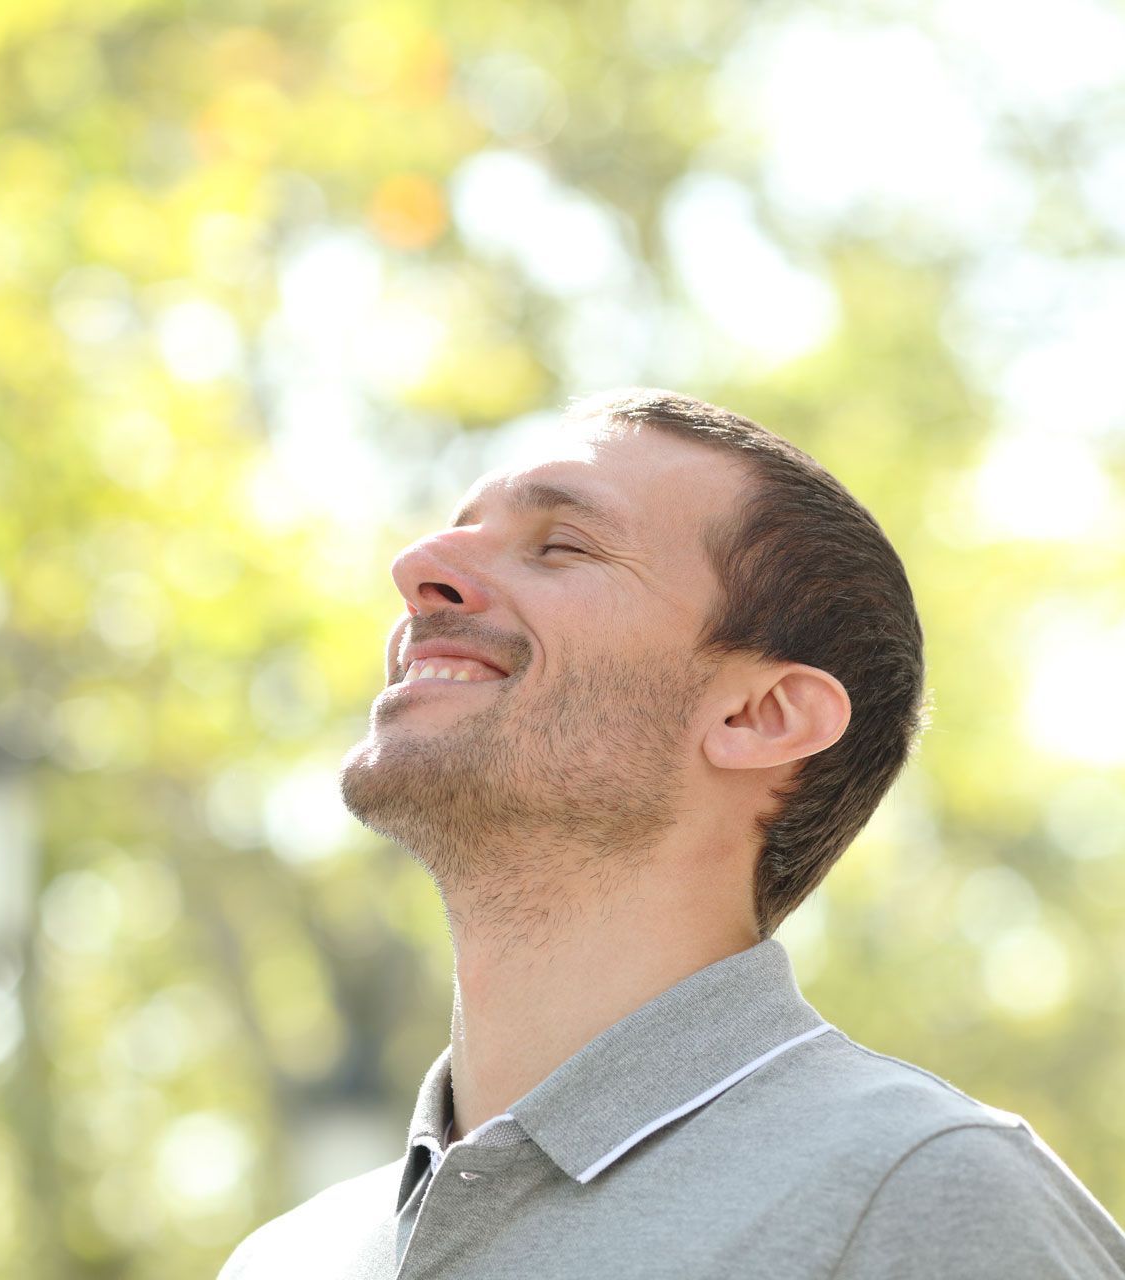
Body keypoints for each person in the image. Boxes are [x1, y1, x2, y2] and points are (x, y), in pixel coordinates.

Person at [217, 389, 1125, 1279]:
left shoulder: (924, 1195)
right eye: (456, 527)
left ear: (760, 715)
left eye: (562, 544)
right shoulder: (287, 1259)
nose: (417, 563)